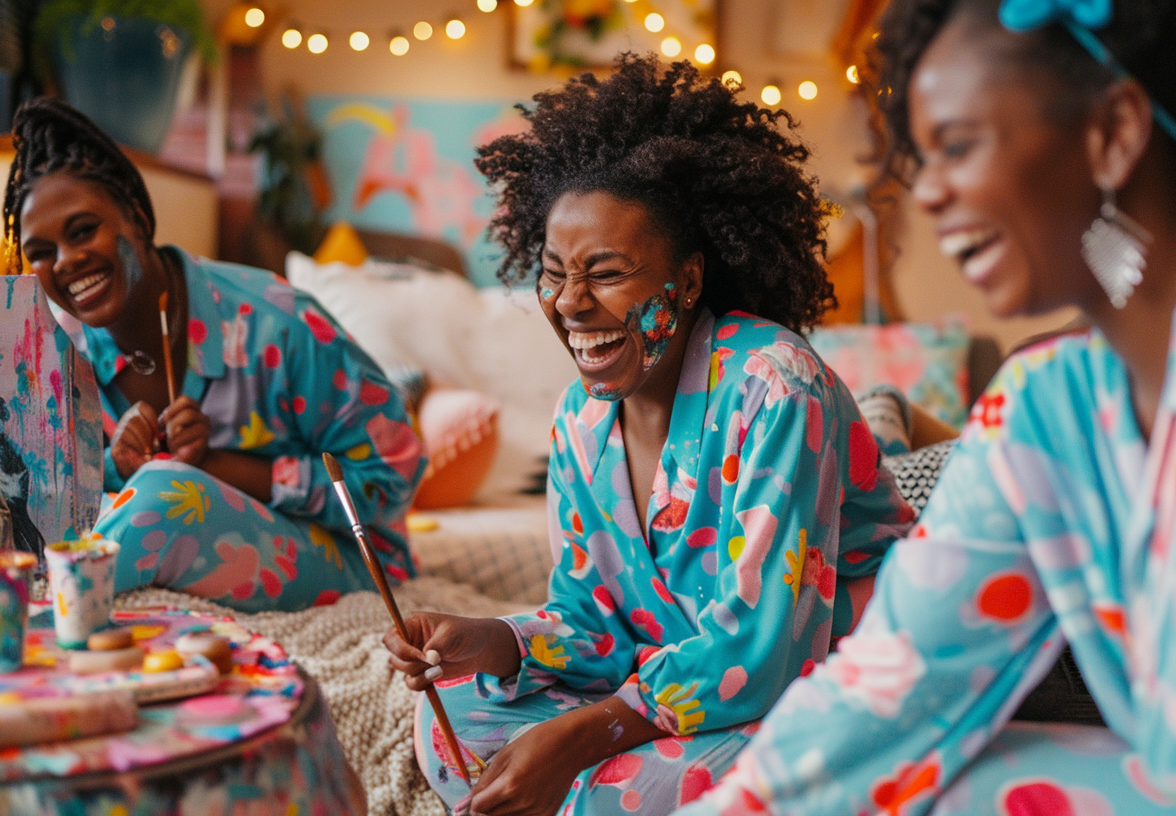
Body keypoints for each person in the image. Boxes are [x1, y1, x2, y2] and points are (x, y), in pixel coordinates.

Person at [677, 0, 1176, 813]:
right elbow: (886, 692)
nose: (925, 193)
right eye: (919, 157)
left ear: (1113, 133)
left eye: (957, 147)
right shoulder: (1049, 401)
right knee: (924, 777)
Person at [383, 55, 916, 815]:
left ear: (690, 281)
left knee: (635, 786)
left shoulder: (776, 386)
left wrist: (580, 738)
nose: (570, 303)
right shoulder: (580, 420)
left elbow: (763, 655)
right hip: (685, 693)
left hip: (822, 679)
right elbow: (593, 624)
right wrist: (494, 640)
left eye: (605, 272)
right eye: (555, 270)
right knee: (451, 723)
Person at [4, 97, 425, 613]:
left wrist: (219, 466)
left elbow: (395, 476)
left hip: (356, 557)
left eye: (83, 230)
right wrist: (115, 469)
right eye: (41, 253)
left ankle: (37, 614)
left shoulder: (279, 324)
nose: (66, 262)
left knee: (165, 493)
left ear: (136, 218)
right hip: (187, 548)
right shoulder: (59, 353)